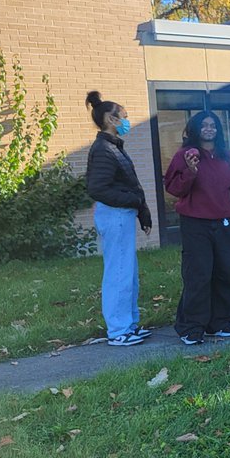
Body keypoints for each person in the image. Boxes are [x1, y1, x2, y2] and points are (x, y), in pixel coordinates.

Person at [163, 111, 230, 344]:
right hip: (195, 224)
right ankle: (192, 326)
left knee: (227, 272)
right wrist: (190, 173)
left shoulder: (229, 157)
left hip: (225, 222)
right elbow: (173, 188)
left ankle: (219, 321)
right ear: (195, 129)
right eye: (204, 125)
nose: (209, 129)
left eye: (213, 125)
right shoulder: (185, 155)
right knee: (198, 275)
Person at [85, 91, 153, 347]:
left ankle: (130, 324)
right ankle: (119, 330)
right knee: (119, 272)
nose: (127, 122)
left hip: (121, 215)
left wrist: (138, 207)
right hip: (114, 216)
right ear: (111, 119)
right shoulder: (104, 149)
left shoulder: (112, 147)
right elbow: (98, 189)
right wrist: (133, 201)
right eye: (124, 117)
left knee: (128, 272)